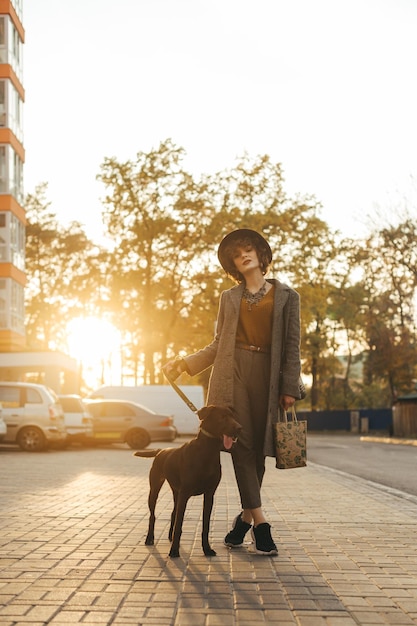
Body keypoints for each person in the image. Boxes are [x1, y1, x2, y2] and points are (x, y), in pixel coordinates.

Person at [164, 228, 302, 555]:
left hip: (268, 377)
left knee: (258, 453)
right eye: (237, 253)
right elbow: (217, 344)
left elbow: (292, 347)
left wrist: (289, 387)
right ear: (233, 265)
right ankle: (262, 524)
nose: (244, 254)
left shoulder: (288, 297)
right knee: (242, 446)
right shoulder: (229, 298)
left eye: (249, 248)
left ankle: (243, 521)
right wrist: (185, 362)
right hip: (232, 373)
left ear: (260, 253)